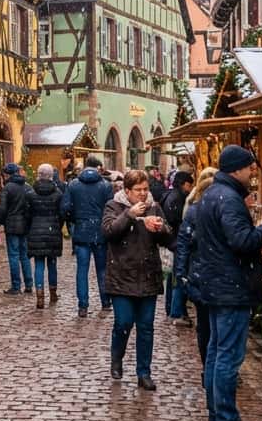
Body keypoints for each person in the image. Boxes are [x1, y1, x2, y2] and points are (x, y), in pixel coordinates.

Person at [194, 145, 262, 421]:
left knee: (217, 353)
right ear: (236, 169)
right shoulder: (229, 199)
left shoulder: (211, 195)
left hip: (217, 285)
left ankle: (218, 415)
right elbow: (242, 242)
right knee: (227, 357)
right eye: (248, 168)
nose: (251, 173)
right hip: (230, 287)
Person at [101, 168, 174, 391]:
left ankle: (144, 372)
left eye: (145, 189)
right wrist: (130, 215)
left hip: (148, 275)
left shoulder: (155, 206)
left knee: (146, 327)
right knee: (123, 323)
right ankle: (117, 357)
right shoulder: (113, 206)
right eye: (138, 190)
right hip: (122, 275)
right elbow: (109, 231)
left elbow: (169, 237)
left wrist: (160, 228)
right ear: (127, 191)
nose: (143, 194)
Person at [175, 166, 218, 373]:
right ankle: (211, 366)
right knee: (209, 325)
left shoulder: (193, 210)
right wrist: (181, 273)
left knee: (207, 326)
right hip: (206, 275)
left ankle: (211, 366)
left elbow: (183, 243)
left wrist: (182, 273)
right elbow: (184, 243)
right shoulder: (195, 211)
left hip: (201, 274)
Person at [61, 155, 113, 317]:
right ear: (97, 168)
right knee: (102, 268)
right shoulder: (105, 185)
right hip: (100, 232)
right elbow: (111, 209)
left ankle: (83, 305)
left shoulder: (73, 184)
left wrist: (74, 219)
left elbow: (65, 207)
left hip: (81, 231)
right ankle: (105, 302)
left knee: (82, 270)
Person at [27, 163, 64, 309]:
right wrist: (56, 226)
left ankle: (40, 296)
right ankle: (53, 293)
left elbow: (27, 215)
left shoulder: (30, 194)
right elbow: (61, 215)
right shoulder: (58, 194)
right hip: (52, 231)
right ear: (51, 176)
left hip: (35, 231)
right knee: (52, 263)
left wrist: (32, 227)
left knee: (39, 264)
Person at [161, 170, 194, 323]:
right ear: (183, 184)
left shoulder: (168, 195)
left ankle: (171, 308)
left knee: (173, 277)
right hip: (177, 242)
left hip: (172, 242)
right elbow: (177, 222)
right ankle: (176, 312)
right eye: (189, 185)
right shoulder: (178, 198)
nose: (190, 188)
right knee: (178, 277)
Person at [0, 162, 34, 295]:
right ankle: (29, 284)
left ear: (6, 174)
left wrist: (0, 222)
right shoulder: (27, 187)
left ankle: (16, 286)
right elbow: (31, 206)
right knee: (25, 256)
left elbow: (2, 208)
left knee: (13, 255)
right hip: (25, 225)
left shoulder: (7, 188)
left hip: (12, 225)